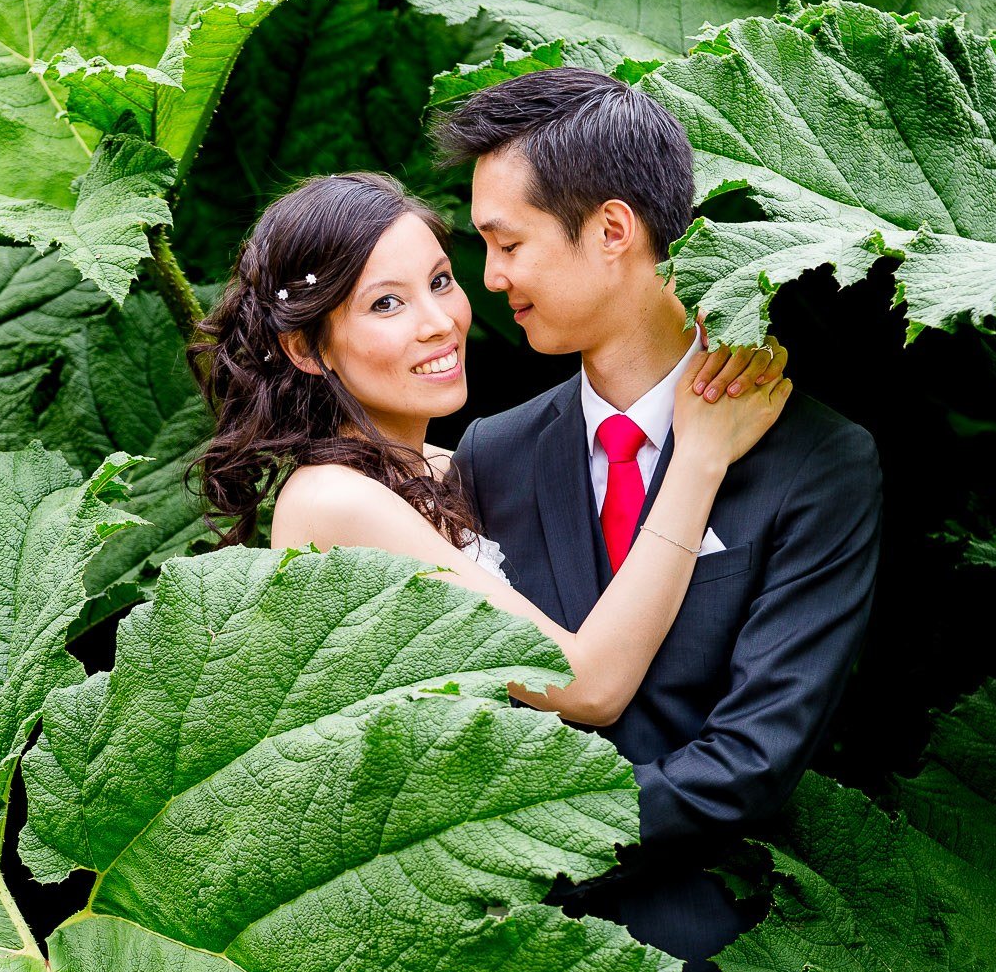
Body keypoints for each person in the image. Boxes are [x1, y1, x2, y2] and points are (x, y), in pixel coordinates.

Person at [436, 67, 884, 972]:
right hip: (499, 945)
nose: (491, 279)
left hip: (723, 954)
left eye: (507, 242)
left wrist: (540, 833)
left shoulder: (819, 461)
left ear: (610, 231)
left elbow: (754, 757)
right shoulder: (493, 452)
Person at [190, 167, 791, 731]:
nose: (439, 323)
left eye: (439, 282)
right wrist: (698, 458)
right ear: (303, 348)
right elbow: (585, 688)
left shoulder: (450, 469)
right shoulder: (332, 499)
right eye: (386, 303)